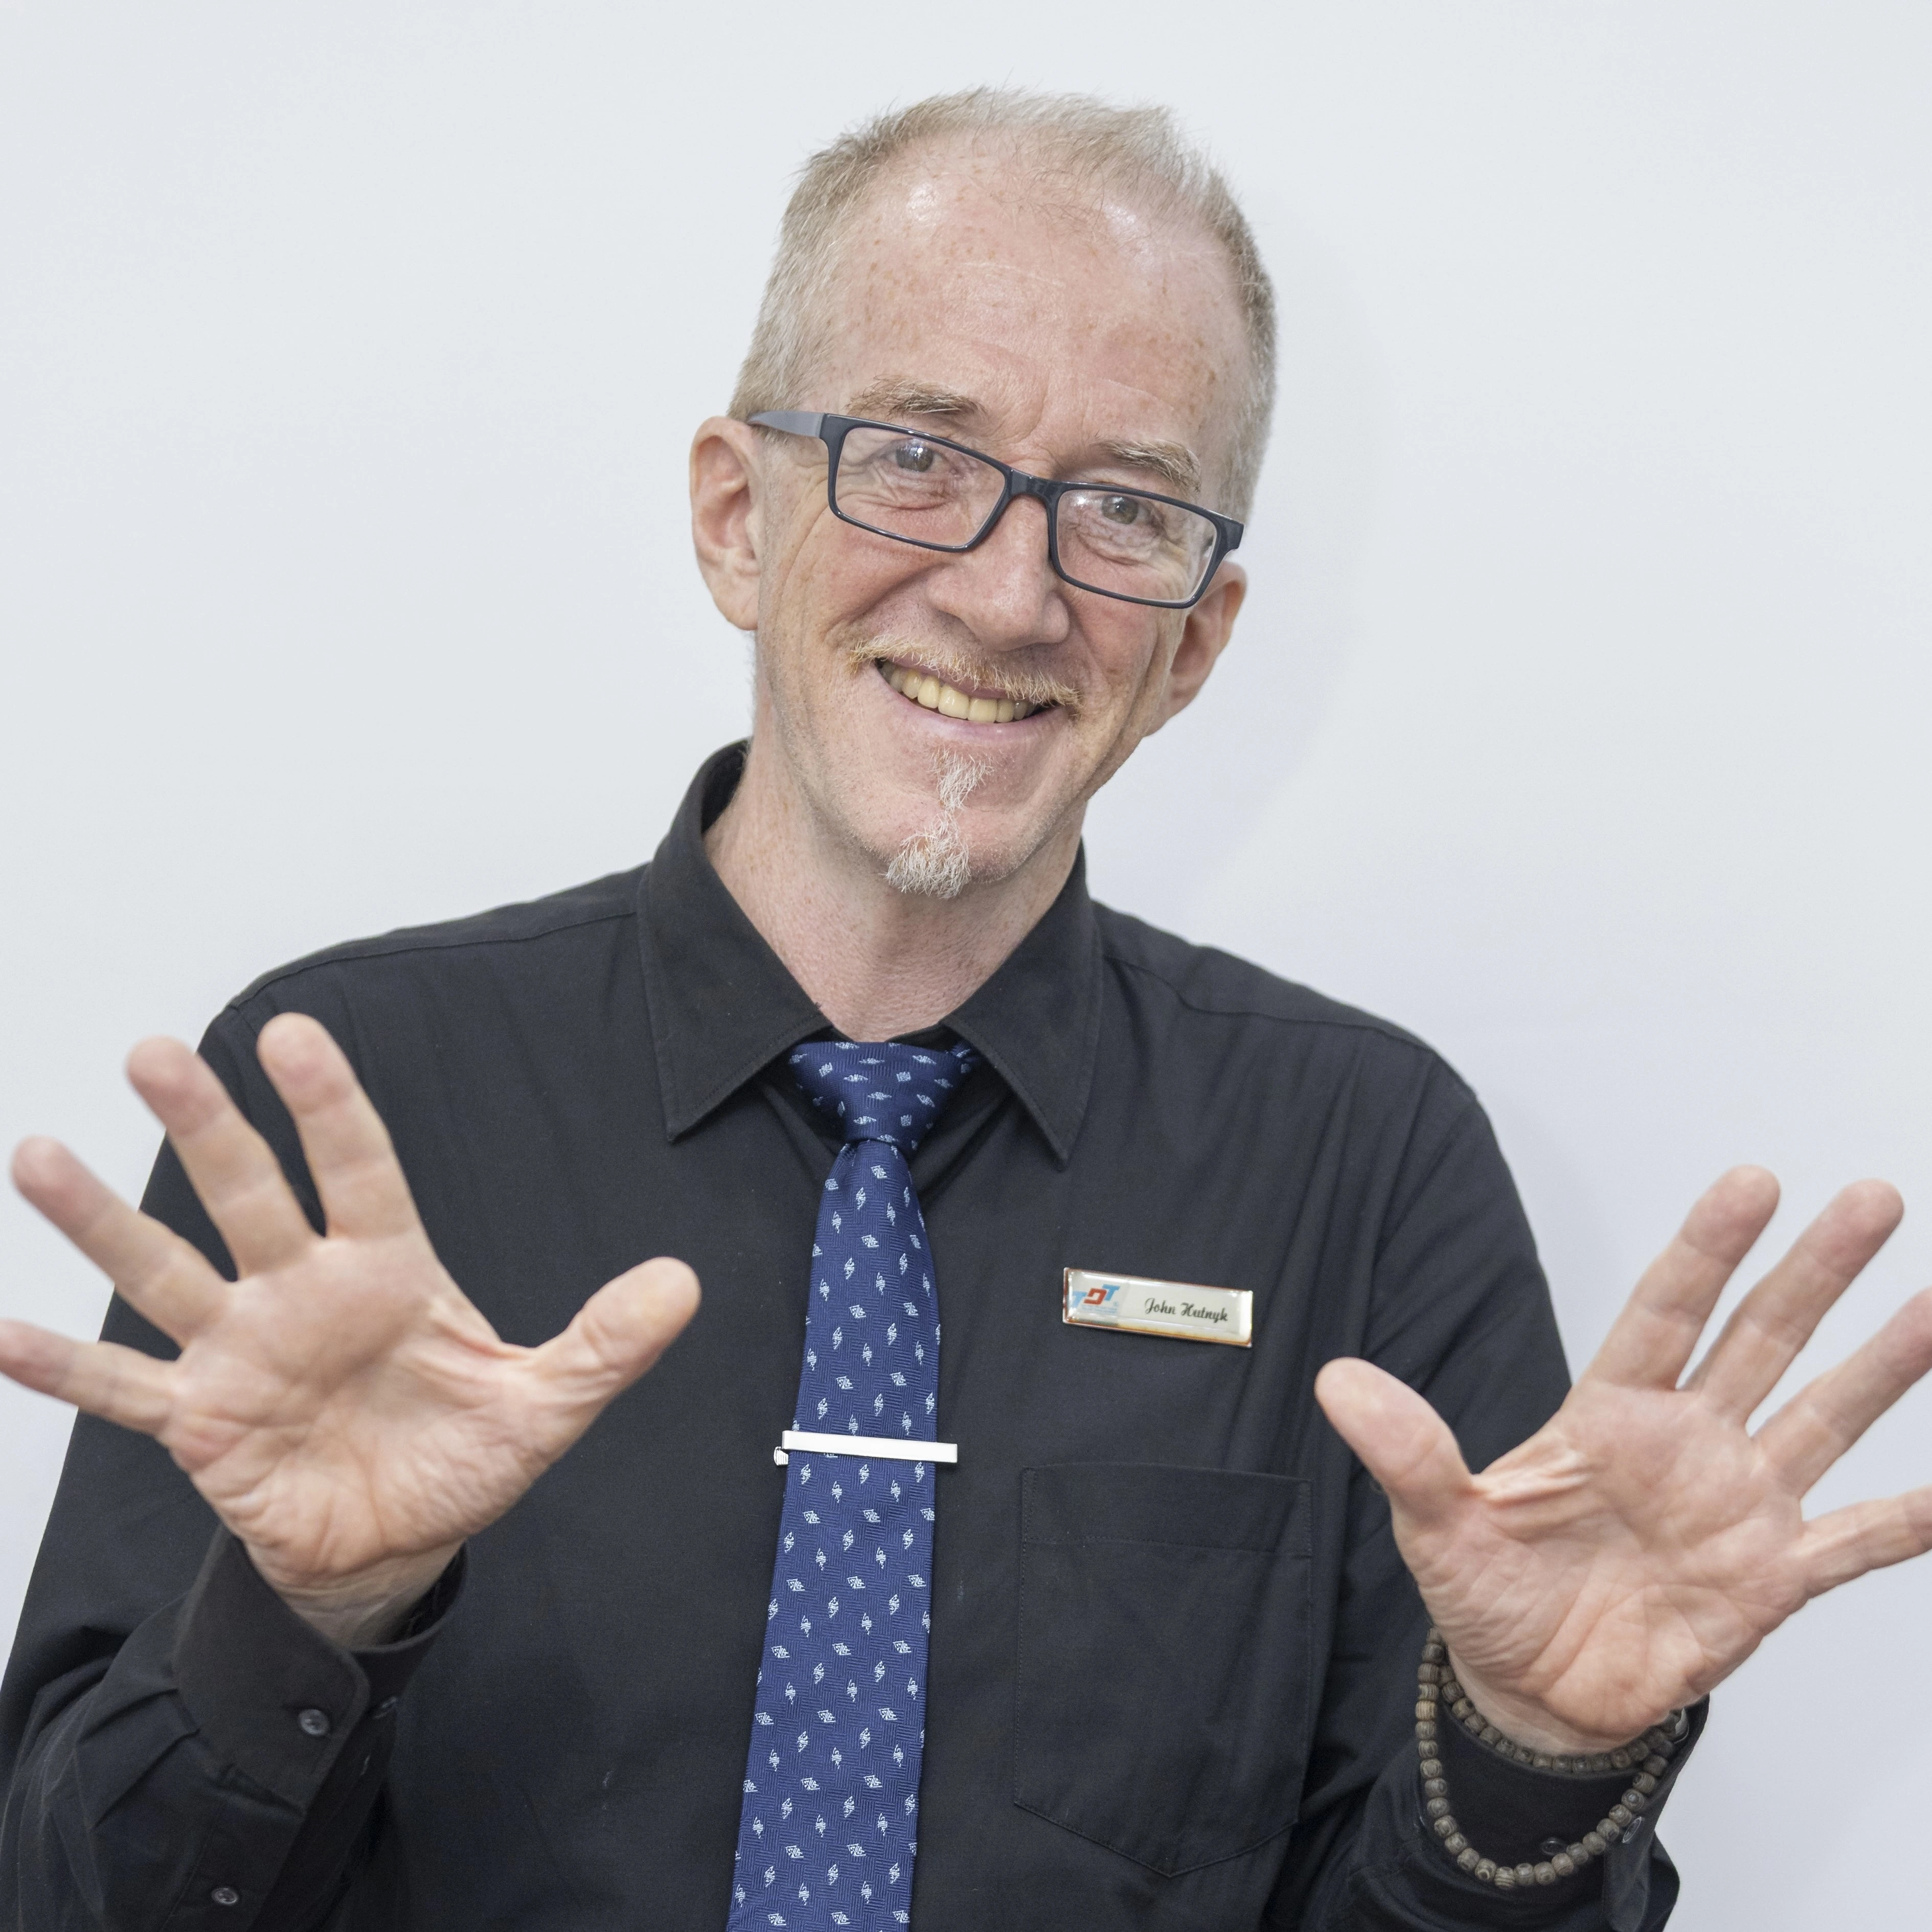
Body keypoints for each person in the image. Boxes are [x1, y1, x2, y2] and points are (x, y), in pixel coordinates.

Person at [2, 88, 1928, 1932]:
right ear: (737, 518)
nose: (1014, 597)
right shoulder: (362, 1108)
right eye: (917, 455)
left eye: (1124, 511)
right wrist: (303, 1629)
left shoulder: (1368, 1167)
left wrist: (1531, 1755)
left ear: (1197, 642)